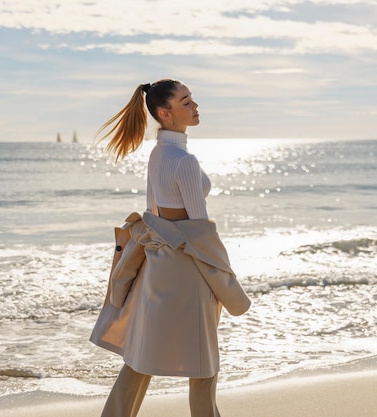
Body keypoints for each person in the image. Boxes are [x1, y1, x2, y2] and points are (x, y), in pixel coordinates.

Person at [90, 79, 251, 417]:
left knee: (140, 358)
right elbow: (199, 232)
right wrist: (225, 282)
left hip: (158, 266)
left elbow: (155, 214)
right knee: (203, 368)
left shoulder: (159, 153)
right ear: (165, 113)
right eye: (186, 101)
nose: (195, 106)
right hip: (187, 272)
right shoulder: (183, 161)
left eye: (192, 100)